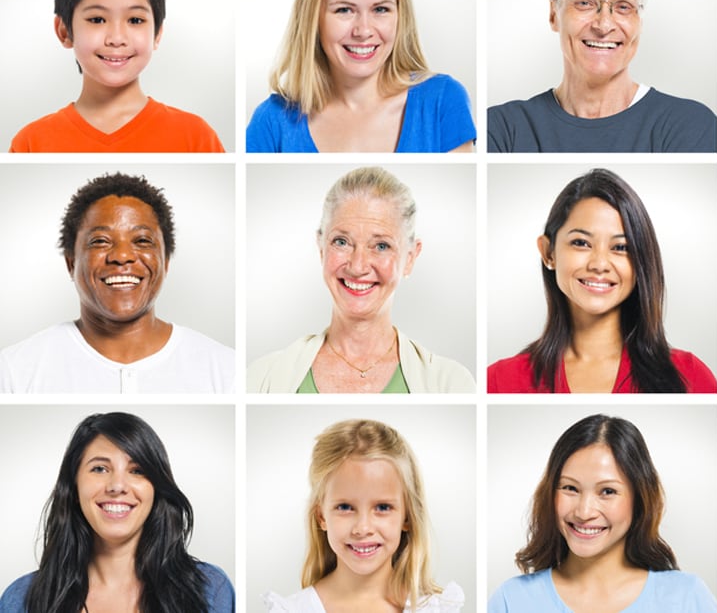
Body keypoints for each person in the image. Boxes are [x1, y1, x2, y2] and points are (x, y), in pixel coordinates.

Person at [0, 173, 234, 393]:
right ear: (71, 262)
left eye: (142, 240)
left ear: (165, 262)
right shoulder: (13, 373)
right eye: (100, 241)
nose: (122, 256)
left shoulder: (225, 371)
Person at [488, 169, 716, 393]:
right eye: (581, 243)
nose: (599, 264)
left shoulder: (691, 378)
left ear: (641, 261)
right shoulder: (499, 382)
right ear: (548, 252)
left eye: (620, 247)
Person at [249, 166, 473, 393]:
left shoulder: (452, 384)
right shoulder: (259, 379)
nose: (357, 266)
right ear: (321, 248)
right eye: (342, 242)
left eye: (381, 246)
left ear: (410, 257)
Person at [486, 0, 716, 153]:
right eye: (585, 2)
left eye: (624, 6)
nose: (604, 25)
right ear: (553, 15)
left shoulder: (689, 125)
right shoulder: (503, 129)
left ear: (639, 21)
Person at [246, 0, 475, 153]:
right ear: (313, 18)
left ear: (399, 14)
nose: (364, 31)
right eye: (344, 10)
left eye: (380, 9)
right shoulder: (271, 122)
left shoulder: (442, 101)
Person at [0, 412, 233, 612]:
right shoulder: (20, 600)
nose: (117, 486)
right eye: (99, 468)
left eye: (137, 470)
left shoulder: (210, 589)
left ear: (156, 487)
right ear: (74, 486)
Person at [9, 0, 223, 153]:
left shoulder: (195, 136)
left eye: (135, 20)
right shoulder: (31, 142)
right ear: (64, 31)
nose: (117, 38)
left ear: (157, 33)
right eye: (97, 19)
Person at [488, 414, 716, 611]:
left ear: (639, 499)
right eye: (570, 488)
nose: (584, 511)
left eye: (607, 491)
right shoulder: (511, 600)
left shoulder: (688, 597)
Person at [264, 419, 463, 612]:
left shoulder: (437, 608)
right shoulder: (292, 609)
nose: (363, 528)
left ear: (407, 517)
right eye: (345, 507)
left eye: (383, 507)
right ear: (321, 517)